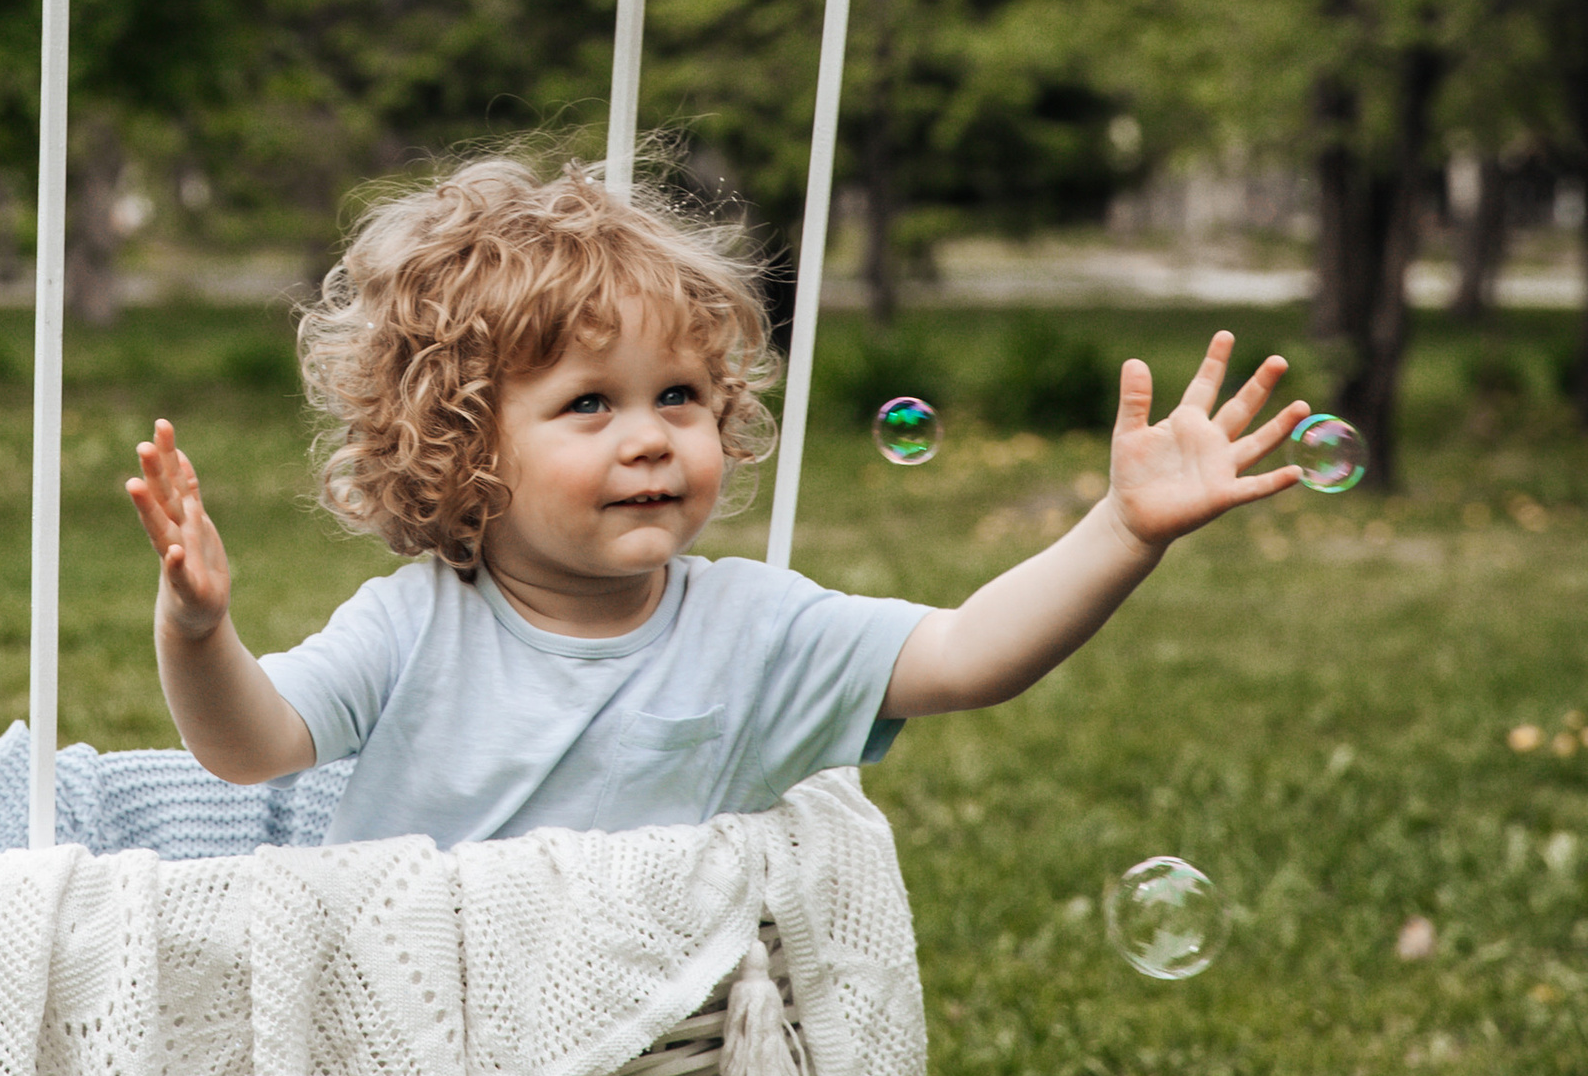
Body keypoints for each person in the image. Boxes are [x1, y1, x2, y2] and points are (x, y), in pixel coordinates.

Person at [122, 154, 1310, 846]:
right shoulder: (414, 627)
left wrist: (1121, 530)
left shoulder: (750, 624)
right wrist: (199, 631)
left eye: (680, 395)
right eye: (590, 406)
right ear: (462, 449)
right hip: (421, 1024)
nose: (651, 438)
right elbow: (250, 750)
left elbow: (965, 656)